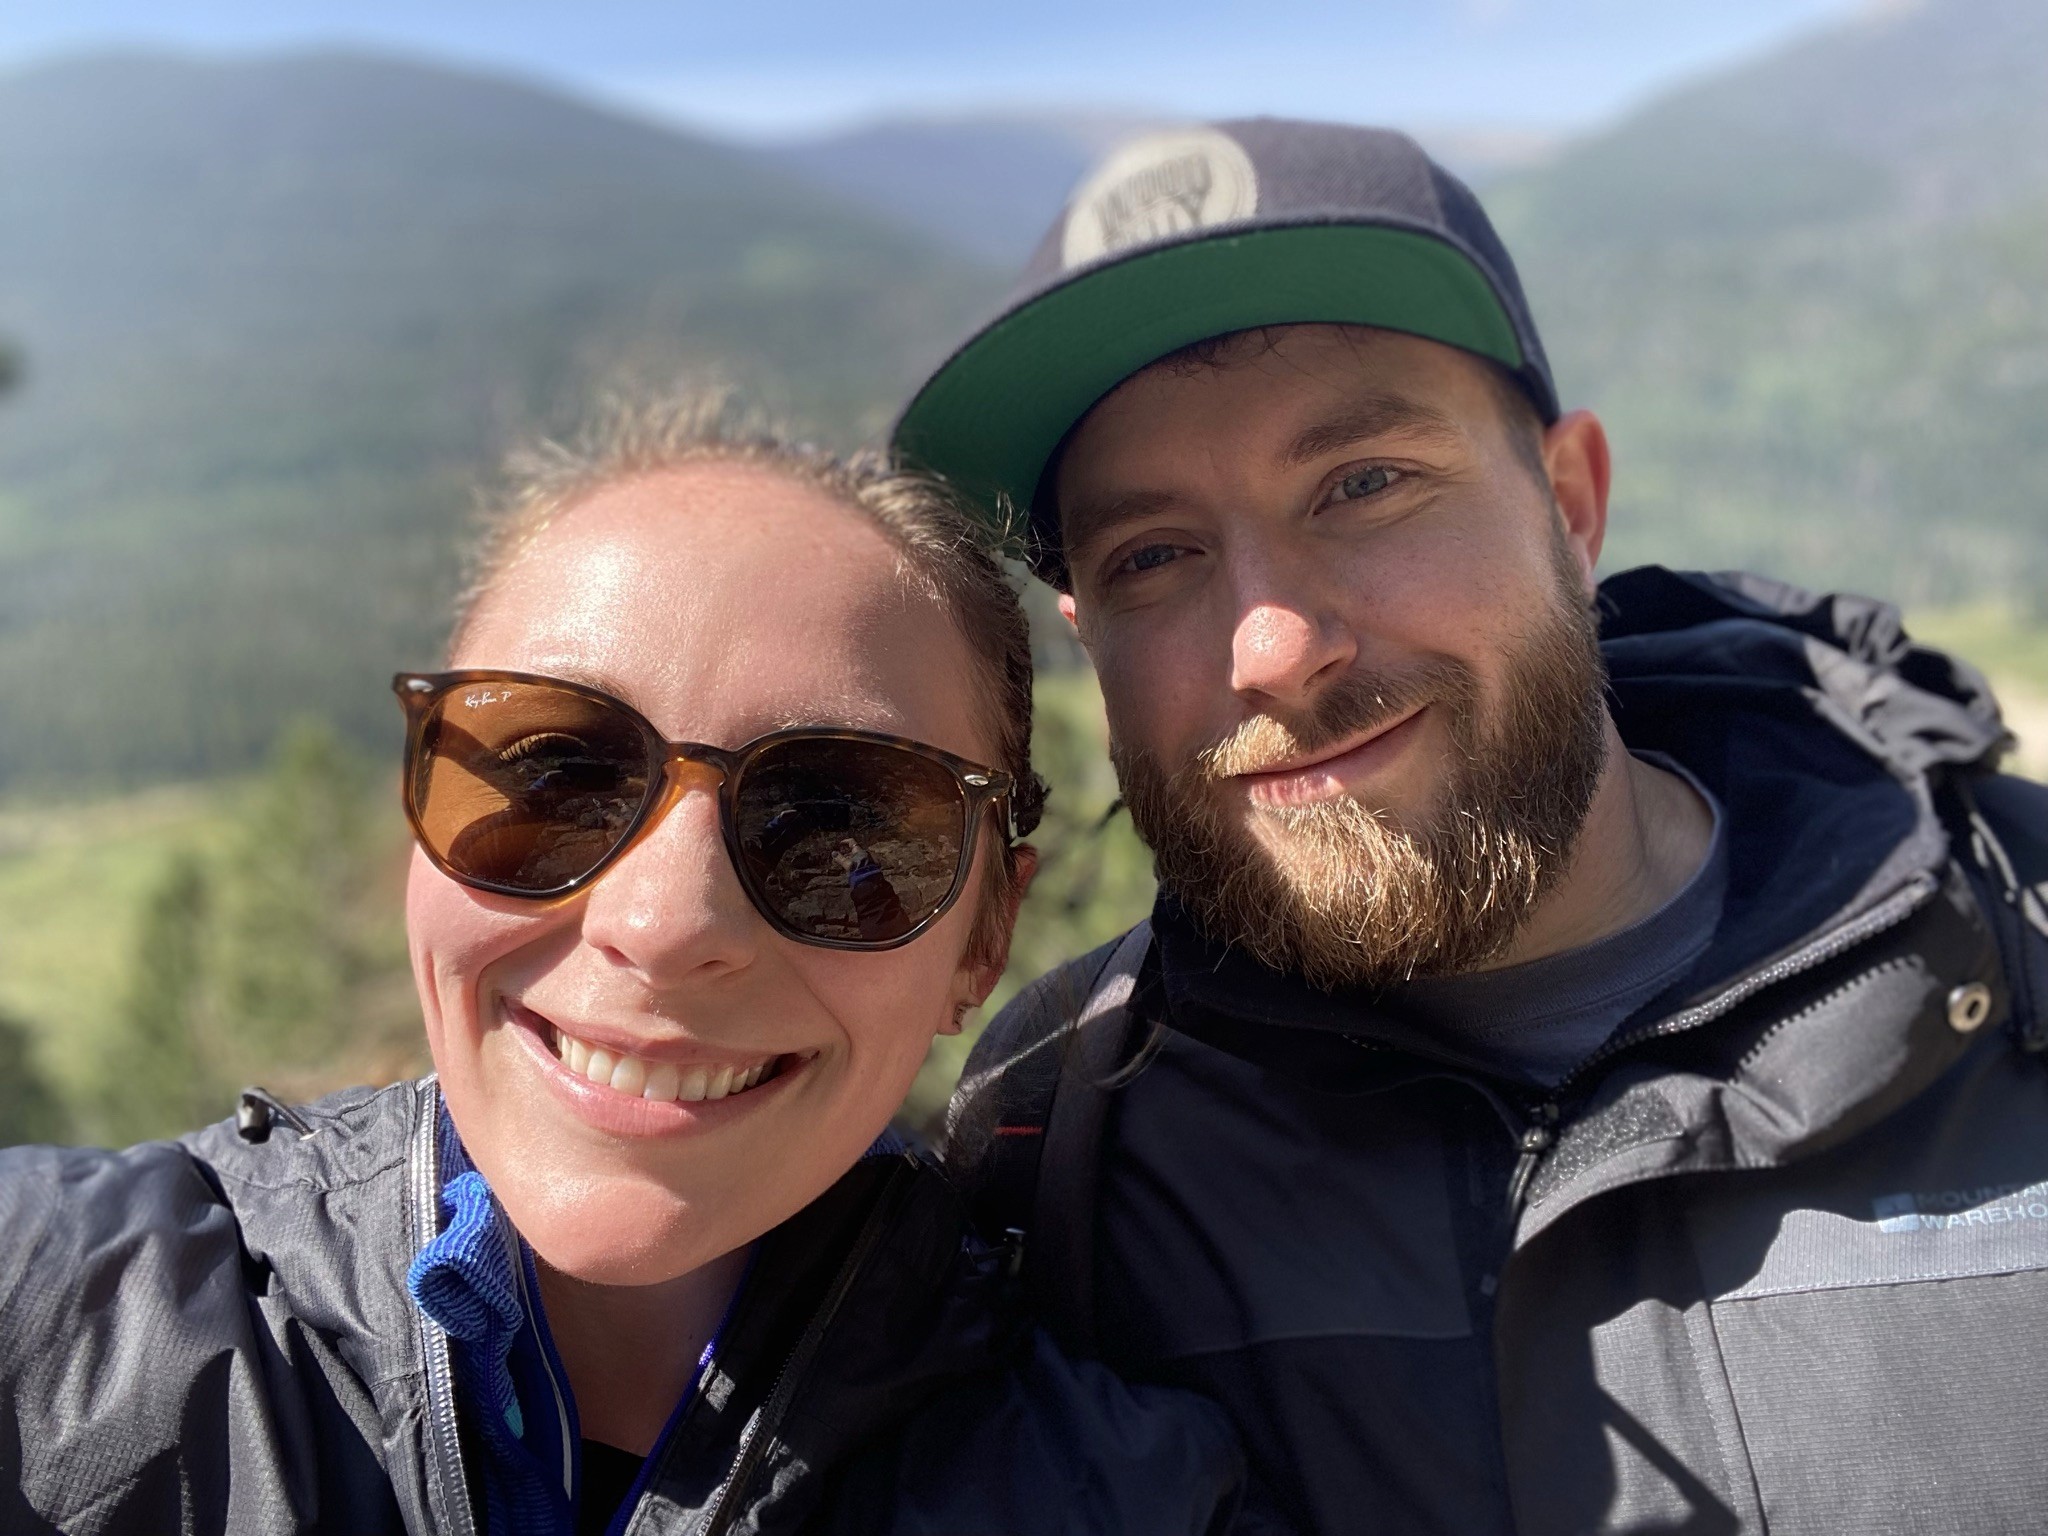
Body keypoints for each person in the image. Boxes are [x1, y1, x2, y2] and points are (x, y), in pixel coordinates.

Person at [896, 120, 2048, 1536]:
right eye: (1153, 556)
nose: (1273, 646)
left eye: (1365, 482)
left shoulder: (2018, 941)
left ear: (1571, 505)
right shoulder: (1046, 1147)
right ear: (1087, 639)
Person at [0, 398, 1243, 1535]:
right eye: (555, 776)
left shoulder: (1131, 1504)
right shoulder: (48, 1316)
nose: (660, 923)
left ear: (982, 941)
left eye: (844, 826)